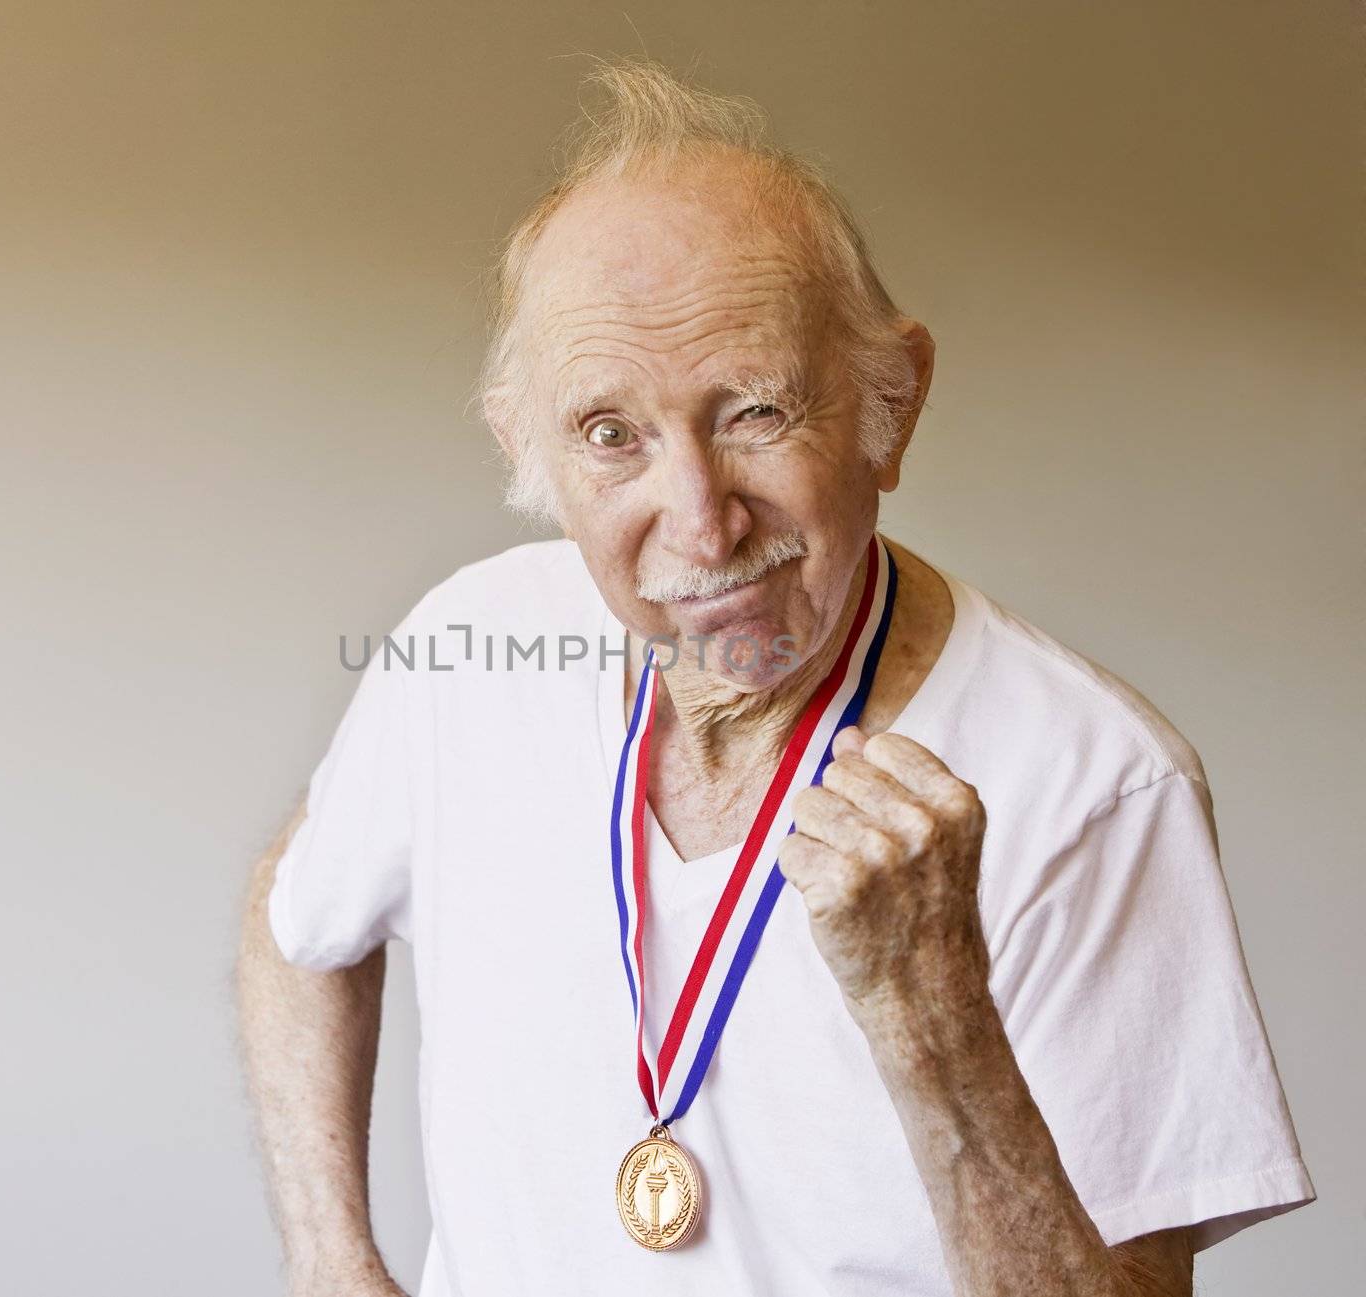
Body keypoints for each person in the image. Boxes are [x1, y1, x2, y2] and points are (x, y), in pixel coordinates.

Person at [235, 57, 1314, 1297]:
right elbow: (298, 912)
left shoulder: (1096, 787)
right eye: (610, 433)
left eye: (753, 410)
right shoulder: (461, 647)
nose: (699, 523)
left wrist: (937, 1022)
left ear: (887, 407)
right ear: (523, 449)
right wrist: (331, 1262)